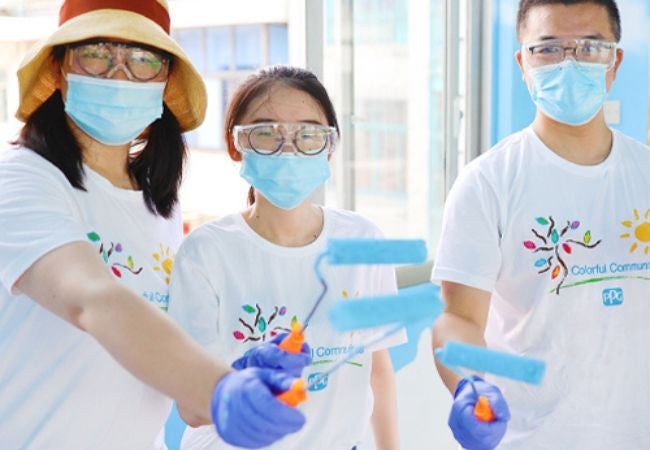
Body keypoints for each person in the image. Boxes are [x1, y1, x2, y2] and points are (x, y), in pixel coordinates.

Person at [0, 1, 306, 449]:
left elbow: (153, 353)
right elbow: (94, 298)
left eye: (143, 59)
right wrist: (219, 386)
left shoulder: (157, 204)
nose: (119, 73)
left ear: (165, 81)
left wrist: (238, 373)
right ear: (61, 68)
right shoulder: (22, 181)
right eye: (96, 52)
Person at [432, 0, 650, 448]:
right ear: (522, 63)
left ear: (615, 61)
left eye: (590, 47)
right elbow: (457, 317)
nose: (569, 63)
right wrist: (470, 385)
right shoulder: (487, 183)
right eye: (547, 49)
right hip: (531, 437)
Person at [167, 65, 403, 450]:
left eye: (308, 134)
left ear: (329, 146)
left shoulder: (364, 242)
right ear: (235, 145)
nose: (288, 149)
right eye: (265, 133)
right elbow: (190, 409)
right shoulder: (205, 253)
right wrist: (238, 384)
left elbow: (377, 370)